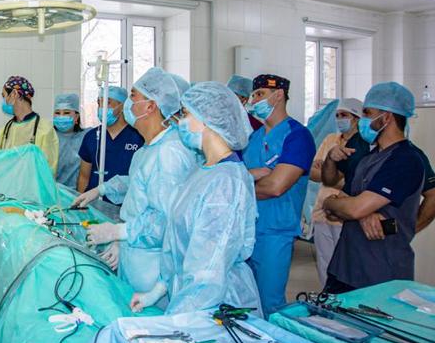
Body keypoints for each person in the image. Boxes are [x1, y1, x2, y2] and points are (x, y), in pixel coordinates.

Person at [129, 82, 260, 314]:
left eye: (185, 114)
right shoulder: (202, 171)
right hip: (187, 294)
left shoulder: (226, 184)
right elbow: (178, 244)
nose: (179, 122)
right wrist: (159, 290)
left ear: (207, 119)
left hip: (215, 307)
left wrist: (177, 318)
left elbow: (209, 272)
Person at [83, 68, 198, 305]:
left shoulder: (170, 152)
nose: (128, 103)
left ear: (150, 106)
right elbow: (138, 185)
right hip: (136, 256)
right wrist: (101, 190)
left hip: (154, 268)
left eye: (133, 96)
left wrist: (118, 232)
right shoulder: (149, 148)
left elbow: (164, 220)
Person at [321, 83, 428, 293]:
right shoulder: (370, 158)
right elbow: (337, 209)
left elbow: (353, 208)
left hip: (380, 272)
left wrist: (339, 204)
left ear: (386, 117)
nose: (363, 120)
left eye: (367, 113)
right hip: (345, 267)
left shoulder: (405, 160)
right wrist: (337, 204)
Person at [242, 74, 316, 316]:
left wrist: (244, 184)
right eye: (253, 95)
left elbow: (276, 187)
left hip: (275, 232)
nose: (254, 100)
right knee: (243, 300)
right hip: (246, 229)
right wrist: (252, 177)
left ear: (279, 95)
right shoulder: (253, 138)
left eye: (260, 94)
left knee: (269, 303)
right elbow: (234, 176)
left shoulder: (297, 136)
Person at [309, 97, 364, 287]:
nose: (340, 119)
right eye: (338, 115)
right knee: (324, 264)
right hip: (321, 213)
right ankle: (327, 300)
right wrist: (335, 177)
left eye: (344, 115)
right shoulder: (330, 140)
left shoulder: (362, 145)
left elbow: (358, 183)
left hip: (345, 215)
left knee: (346, 266)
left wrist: (327, 171)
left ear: (356, 118)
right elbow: (312, 173)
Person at [75, 86, 144, 204]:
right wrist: (79, 203)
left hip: (126, 204)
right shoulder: (91, 137)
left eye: (107, 103)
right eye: (99, 103)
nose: (101, 108)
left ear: (122, 106)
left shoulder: (138, 136)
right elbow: (83, 177)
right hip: (93, 203)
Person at [0, 76, 59, 175]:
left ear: (14, 94)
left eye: (4, 96)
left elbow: (48, 171)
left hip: (34, 185)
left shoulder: (45, 130)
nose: (4, 100)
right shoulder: (2, 132)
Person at [53, 93, 88, 189]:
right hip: (50, 193)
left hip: (76, 193)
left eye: (66, 113)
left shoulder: (86, 137)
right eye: (57, 113)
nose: (61, 117)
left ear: (76, 117)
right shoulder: (48, 137)